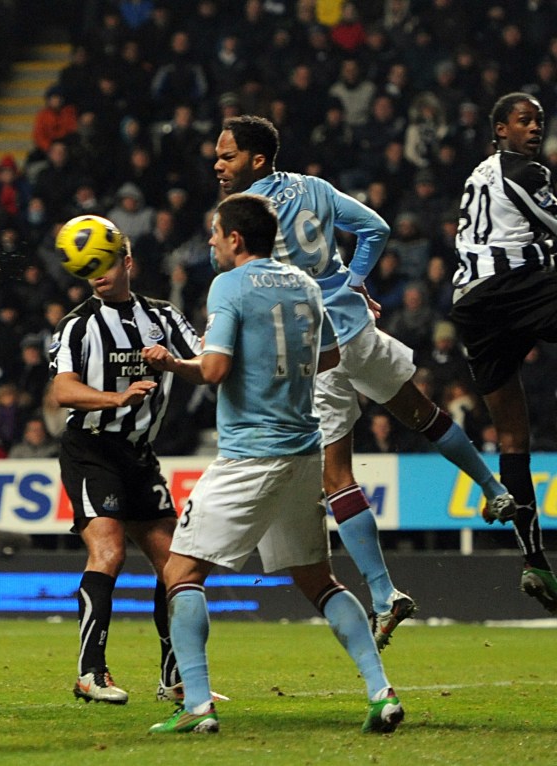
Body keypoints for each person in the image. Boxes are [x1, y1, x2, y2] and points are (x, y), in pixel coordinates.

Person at [215, 115, 517, 648]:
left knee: (336, 476)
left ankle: (383, 594)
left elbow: (257, 283)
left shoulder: (245, 216)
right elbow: (375, 229)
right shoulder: (315, 188)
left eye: (227, 156)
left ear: (257, 160)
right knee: (420, 411)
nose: (218, 165)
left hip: (318, 348)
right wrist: (350, 283)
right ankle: (494, 489)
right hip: (357, 327)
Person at [147, 192, 402, 736]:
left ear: (235, 239)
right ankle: (381, 692)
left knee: (181, 571)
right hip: (303, 451)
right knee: (318, 580)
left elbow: (214, 370)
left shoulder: (229, 285)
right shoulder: (305, 284)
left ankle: (196, 706)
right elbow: (331, 356)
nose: (211, 242)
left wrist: (172, 362)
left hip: (249, 454)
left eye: (216, 234)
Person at [49, 221, 204, 705]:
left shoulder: (163, 316)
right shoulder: (78, 324)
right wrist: (115, 398)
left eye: (106, 262)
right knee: (109, 552)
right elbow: (63, 391)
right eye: (89, 266)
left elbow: (207, 363)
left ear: (127, 262)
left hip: (139, 454)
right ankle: (89, 673)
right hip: (91, 449)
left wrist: (173, 365)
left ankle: (173, 677)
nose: (97, 273)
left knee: (176, 566)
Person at [450, 92, 557, 614]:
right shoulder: (526, 171)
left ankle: (533, 560)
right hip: (513, 284)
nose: (534, 127)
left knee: (513, 434)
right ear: (499, 128)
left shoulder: (481, 174)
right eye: (523, 120)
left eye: (538, 120)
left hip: (473, 303)